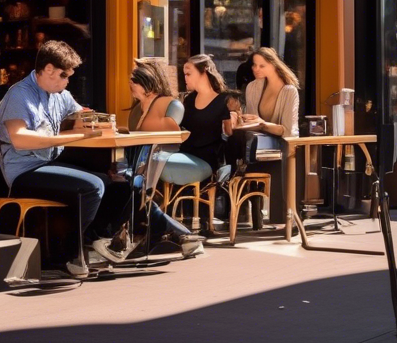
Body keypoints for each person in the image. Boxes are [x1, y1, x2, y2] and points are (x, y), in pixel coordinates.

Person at [0, 41, 108, 277]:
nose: (67, 82)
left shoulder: (59, 94)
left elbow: (81, 114)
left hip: (47, 164)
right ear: (47, 70)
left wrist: (94, 120)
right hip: (23, 172)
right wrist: (67, 137)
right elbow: (20, 139)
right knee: (92, 187)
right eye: (63, 76)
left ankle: (96, 243)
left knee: (111, 180)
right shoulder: (19, 94)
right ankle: (67, 256)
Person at [123, 60, 205, 258]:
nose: (130, 84)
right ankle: (177, 234)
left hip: (161, 155)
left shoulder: (170, 104)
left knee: (133, 184)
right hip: (139, 157)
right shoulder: (137, 109)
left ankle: (166, 233)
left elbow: (171, 136)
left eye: (135, 80)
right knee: (126, 183)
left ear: (149, 80)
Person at [179, 55, 234, 183]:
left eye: (188, 74)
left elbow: (230, 133)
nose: (185, 78)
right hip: (185, 153)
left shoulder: (224, 100)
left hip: (207, 159)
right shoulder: (189, 100)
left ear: (204, 72)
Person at [242, 47, 301, 145]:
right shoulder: (252, 87)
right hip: (258, 149)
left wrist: (263, 125)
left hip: (285, 150)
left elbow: (289, 132)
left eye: (262, 66)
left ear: (274, 65)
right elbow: (251, 127)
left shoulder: (290, 92)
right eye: (254, 65)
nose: (256, 69)